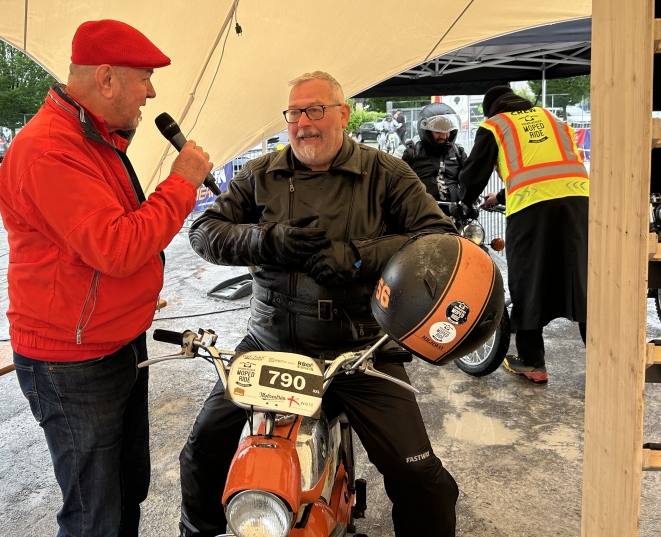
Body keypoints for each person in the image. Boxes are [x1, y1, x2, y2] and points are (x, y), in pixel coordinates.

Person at [180, 71, 459, 537]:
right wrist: (266, 240)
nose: (304, 123)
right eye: (294, 113)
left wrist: (358, 257)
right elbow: (204, 232)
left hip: (359, 350)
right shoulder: (259, 173)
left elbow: (439, 239)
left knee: (418, 474)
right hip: (269, 346)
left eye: (316, 110)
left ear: (343, 114)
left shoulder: (386, 172)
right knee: (202, 450)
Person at [0, 19, 213, 537]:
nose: (152, 91)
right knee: (95, 514)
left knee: (124, 490)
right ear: (107, 78)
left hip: (113, 345)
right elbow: (117, 246)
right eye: (145, 78)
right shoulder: (51, 149)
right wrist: (182, 183)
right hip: (71, 363)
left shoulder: (92, 138)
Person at [458, 86, 588, 384]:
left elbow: (474, 173)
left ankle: (532, 361)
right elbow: (548, 168)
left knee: (527, 277)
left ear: (491, 109)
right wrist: (501, 195)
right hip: (580, 202)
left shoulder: (495, 125)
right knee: (581, 278)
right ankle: (604, 359)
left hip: (532, 209)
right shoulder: (552, 119)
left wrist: (465, 202)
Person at [402, 103, 466, 207]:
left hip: (455, 216)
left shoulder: (458, 151)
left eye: (447, 131)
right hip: (422, 215)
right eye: (438, 131)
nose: (444, 136)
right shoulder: (410, 152)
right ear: (426, 131)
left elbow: (468, 181)